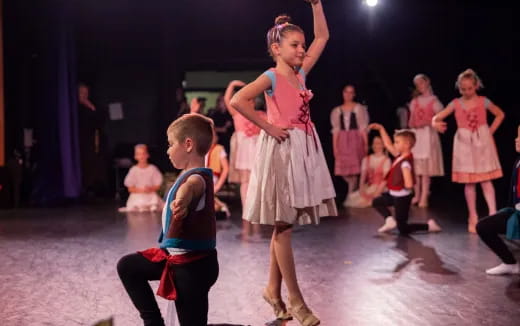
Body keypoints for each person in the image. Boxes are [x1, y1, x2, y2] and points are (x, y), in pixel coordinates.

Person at [230, 1, 336, 324]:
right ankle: (297, 300)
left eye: (302, 45)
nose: (302, 50)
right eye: (295, 45)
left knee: (284, 223)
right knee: (284, 225)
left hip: (303, 149)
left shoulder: (301, 74)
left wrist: (317, 4)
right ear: (276, 48)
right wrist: (268, 127)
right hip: (282, 149)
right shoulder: (272, 76)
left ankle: (272, 290)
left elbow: (323, 37)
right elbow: (238, 100)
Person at [117, 114, 219, 326]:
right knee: (128, 267)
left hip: (193, 269)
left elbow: (191, 188)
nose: (167, 150)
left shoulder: (197, 178)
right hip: (177, 261)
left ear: (188, 144)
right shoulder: (188, 174)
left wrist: (182, 200)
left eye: (171, 144)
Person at [432, 69, 505, 233]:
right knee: (469, 182)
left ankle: (493, 215)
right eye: (463, 89)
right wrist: (435, 124)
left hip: (482, 143)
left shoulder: (483, 101)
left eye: (469, 88)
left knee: (486, 180)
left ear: (476, 86)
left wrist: (489, 132)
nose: (466, 92)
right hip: (464, 144)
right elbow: (436, 117)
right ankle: (473, 217)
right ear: (459, 88)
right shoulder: (456, 103)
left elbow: (500, 114)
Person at [368, 123, 442, 235]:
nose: (394, 144)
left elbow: (409, 183)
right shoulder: (400, 156)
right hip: (394, 194)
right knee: (377, 202)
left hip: (402, 197)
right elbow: (388, 144)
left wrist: (408, 186)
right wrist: (381, 129)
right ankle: (389, 220)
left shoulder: (405, 162)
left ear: (407, 144)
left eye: (397, 142)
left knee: (403, 228)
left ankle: (429, 226)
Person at [224, 80, 266, 239]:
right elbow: (228, 100)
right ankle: (246, 209)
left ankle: (257, 209)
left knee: (258, 182)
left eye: (253, 100)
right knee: (245, 182)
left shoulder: (261, 115)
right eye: (248, 100)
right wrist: (232, 84)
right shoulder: (237, 114)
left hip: (257, 150)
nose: (251, 103)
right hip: (244, 151)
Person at [476, 125, 520, 275]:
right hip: (517, 212)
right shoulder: (518, 161)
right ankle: (510, 262)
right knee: (483, 226)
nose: (516, 140)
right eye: (517, 136)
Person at [408, 74, 445, 207]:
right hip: (417, 134)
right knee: (416, 168)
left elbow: (439, 118)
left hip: (428, 134)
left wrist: (428, 122)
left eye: (421, 83)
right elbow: (411, 120)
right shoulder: (415, 101)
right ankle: (417, 194)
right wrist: (413, 125)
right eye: (417, 84)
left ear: (427, 82)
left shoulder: (434, 101)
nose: (419, 86)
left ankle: (424, 196)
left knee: (425, 170)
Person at [330, 84, 369, 205]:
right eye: (346, 92)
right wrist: (335, 147)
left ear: (354, 94)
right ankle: (352, 190)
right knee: (344, 169)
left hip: (355, 139)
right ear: (343, 93)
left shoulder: (359, 108)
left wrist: (366, 144)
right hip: (342, 140)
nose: (348, 94)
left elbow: (363, 128)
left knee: (355, 168)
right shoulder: (337, 110)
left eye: (351, 92)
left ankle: (351, 193)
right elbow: (335, 131)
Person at [344, 136, 391, 208]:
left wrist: (377, 192)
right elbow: (362, 177)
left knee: (375, 200)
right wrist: (361, 189)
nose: (376, 145)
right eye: (374, 143)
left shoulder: (386, 160)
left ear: (383, 145)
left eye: (378, 143)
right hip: (370, 186)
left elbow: (385, 179)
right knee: (352, 198)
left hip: (382, 188)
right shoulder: (366, 159)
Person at [78, 83, 107, 196]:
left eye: (86, 93)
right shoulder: (75, 109)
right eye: (81, 93)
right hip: (80, 142)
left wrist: (91, 107)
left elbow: (99, 121)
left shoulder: (90, 106)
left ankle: (92, 189)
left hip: (90, 142)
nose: (84, 96)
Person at [119, 144, 164, 213]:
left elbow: (157, 185)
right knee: (137, 202)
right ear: (135, 156)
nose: (141, 156)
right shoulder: (133, 170)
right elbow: (130, 188)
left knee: (153, 199)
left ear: (147, 155)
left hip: (149, 194)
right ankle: (141, 207)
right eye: (139, 154)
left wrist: (150, 189)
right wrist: (141, 190)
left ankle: (151, 206)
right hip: (137, 195)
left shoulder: (152, 169)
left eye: (143, 153)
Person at [205, 128, 231, 218]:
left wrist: (218, 185)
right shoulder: (201, 149)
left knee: (206, 193)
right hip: (201, 175)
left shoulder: (219, 149)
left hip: (212, 176)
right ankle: (219, 206)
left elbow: (226, 168)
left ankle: (220, 206)